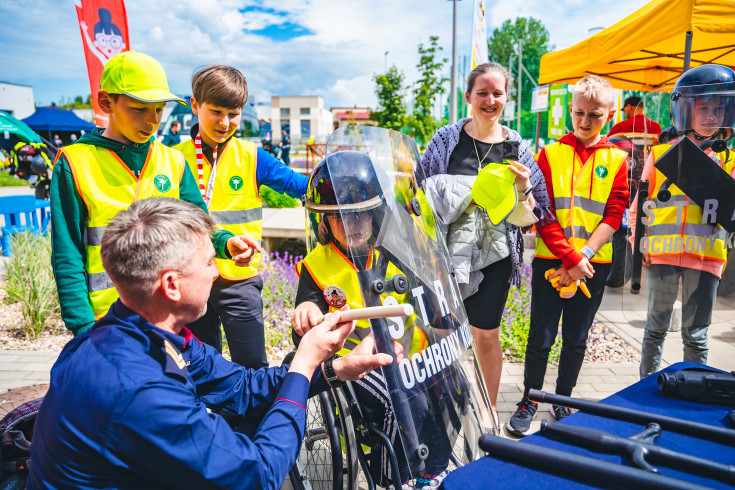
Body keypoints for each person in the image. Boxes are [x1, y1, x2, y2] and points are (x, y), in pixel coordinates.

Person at [28, 197, 394, 489]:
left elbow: (241, 386)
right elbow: (258, 474)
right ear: (171, 285)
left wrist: (334, 368)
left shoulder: (147, 333)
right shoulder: (139, 389)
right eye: (208, 262)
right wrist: (302, 362)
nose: (218, 271)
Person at [50, 51, 257, 336]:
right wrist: (83, 326)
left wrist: (225, 243)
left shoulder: (173, 161)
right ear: (106, 102)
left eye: (159, 109)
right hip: (108, 321)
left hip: (171, 316)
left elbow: (199, 225)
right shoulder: (74, 163)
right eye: (140, 108)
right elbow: (67, 252)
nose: (152, 120)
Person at [292, 151, 453, 489]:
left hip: (410, 354)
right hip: (359, 363)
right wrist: (306, 312)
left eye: (360, 215)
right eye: (340, 216)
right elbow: (306, 314)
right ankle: (397, 477)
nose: (351, 224)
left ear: (376, 214)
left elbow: (428, 296)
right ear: (324, 221)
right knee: (407, 399)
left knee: (453, 383)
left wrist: (444, 312)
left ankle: (436, 469)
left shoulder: (395, 251)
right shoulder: (317, 266)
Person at [419, 62, 553, 413]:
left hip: (496, 256)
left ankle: (487, 411)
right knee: (443, 334)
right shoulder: (447, 140)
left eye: (497, 93)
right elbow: (418, 188)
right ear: (468, 96)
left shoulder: (516, 148)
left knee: (486, 335)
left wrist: (523, 189)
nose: (490, 99)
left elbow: (536, 209)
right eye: (483, 92)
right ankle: (443, 408)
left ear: (507, 98)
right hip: (445, 254)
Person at [507, 75, 629, 436]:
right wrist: (568, 257)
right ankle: (530, 398)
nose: (585, 121)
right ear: (570, 110)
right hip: (551, 260)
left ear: (609, 114)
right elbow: (541, 210)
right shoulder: (550, 153)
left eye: (595, 114)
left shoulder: (618, 159)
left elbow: (615, 213)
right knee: (541, 336)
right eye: (579, 112)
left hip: (594, 265)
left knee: (576, 337)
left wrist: (584, 256)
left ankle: (565, 400)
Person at [174, 66, 308, 369]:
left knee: (252, 368)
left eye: (233, 114)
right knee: (202, 370)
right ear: (195, 106)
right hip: (193, 283)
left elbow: (300, 186)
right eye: (216, 112)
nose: (224, 122)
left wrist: (337, 183)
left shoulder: (252, 156)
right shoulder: (173, 158)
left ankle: (252, 419)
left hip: (240, 283)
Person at [630, 64, 735, 379]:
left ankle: (693, 398)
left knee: (696, 335)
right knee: (655, 330)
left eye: (719, 107)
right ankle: (643, 392)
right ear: (687, 109)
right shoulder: (662, 153)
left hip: (706, 259)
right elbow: (639, 207)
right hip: (661, 254)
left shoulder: (730, 160)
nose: (711, 115)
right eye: (704, 107)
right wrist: (639, 248)